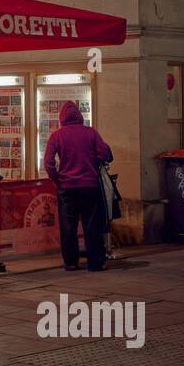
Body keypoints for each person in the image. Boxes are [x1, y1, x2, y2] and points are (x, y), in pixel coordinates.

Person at [43, 100, 112, 273]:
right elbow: (104, 154)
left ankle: (71, 263)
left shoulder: (57, 135)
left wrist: (57, 179)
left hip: (67, 188)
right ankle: (95, 263)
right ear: (79, 115)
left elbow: (48, 162)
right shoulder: (91, 133)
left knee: (68, 227)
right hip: (89, 186)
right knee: (92, 225)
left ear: (61, 117)